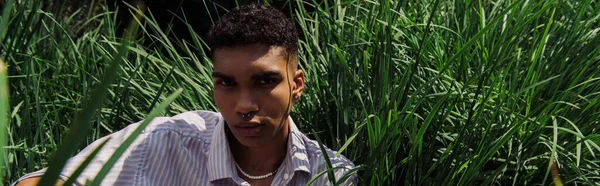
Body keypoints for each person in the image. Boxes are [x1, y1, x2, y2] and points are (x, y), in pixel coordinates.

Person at [15, 3, 356, 186]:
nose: (244, 106)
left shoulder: (330, 174)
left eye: (264, 82)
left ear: (296, 84)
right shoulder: (163, 141)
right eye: (226, 83)